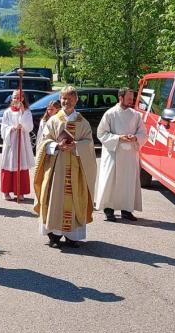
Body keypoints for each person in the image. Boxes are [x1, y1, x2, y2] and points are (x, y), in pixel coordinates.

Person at [33, 86, 97, 248]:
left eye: (69, 98)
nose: (65, 101)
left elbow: (89, 144)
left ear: (76, 100)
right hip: (57, 169)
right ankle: (54, 236)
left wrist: (76, 146)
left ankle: (71, 236)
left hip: (76, 170)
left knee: (75, 200)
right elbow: (43, 143)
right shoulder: (54, 120)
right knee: (55, 199)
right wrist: (56, 146)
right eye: (63, 98)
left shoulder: (83, 123)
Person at [95, 87, 147, 222]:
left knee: (128, 183)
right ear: (121, 97)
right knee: (110, 182)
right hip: (113, 154)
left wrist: (135, 138)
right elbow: (101, 133)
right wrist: (118, 138)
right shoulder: (110, 114)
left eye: (132, 98)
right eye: (129, 98)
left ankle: (126, 210)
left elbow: (143, 133)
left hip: (129, 155)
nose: (131, 100)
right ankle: (109, 210)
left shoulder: (136, 115)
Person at [0, 90, 35, 201]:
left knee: (21, 165)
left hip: (22, 143)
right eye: (14, 97)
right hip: (11, 142)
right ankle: (6, 192)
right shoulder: (7, 112)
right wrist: (12, 128)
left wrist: (23, 114)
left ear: (23, 99)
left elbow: (29, 127)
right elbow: (3, 128)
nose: (16, 100)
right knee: (9, 165)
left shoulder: (27, 112)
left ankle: (20, 192)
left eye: (18, 97)